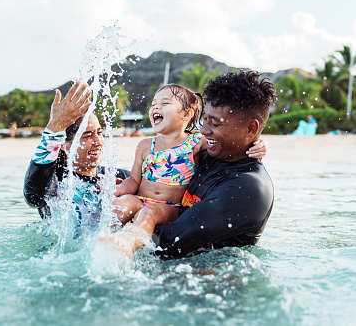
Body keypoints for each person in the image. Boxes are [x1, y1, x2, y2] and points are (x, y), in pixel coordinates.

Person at [99, 83, 267, 257]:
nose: (156, 107)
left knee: (149, 213)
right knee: (121, 203)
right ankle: (100, 238)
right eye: (154, 104)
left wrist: (260, 144)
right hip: (140, 199)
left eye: (165, 103)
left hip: (167, 207)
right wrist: (116, 189)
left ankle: (128, 241)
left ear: (187, 114)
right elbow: (134, 181)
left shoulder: (194, 143)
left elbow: (234, 138)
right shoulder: (145, 146)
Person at [23, 81, 130, 231]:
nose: (99, 141)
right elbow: (33, 197)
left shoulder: (119, 177)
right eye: (87, 136)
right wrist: (55, 127)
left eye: (99, 132)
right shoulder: (56, 183)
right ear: (65, 145)